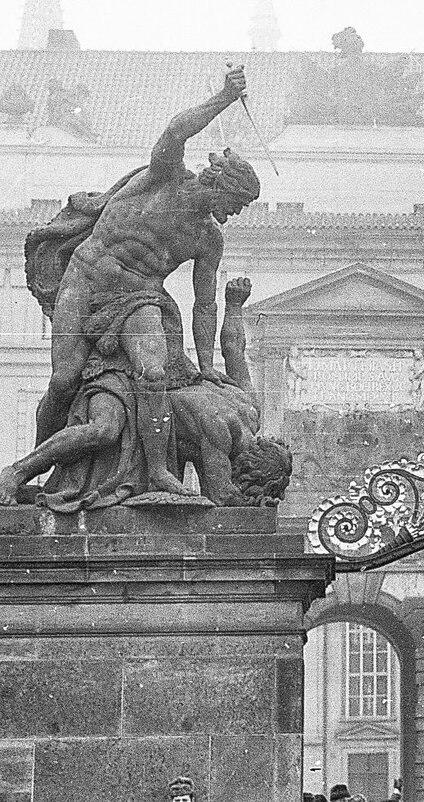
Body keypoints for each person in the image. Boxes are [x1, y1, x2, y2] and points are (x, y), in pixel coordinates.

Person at [25, 63, 260, 497]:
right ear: (219, 184)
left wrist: (207, 367)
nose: (237, 212)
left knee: (153, 372)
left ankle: (159, 473)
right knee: (63, 380)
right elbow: (176, 131)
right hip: (86, 278)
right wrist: (224, 98)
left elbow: (204, 305)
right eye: (237, 202)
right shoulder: (165, 177)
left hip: (139, 297)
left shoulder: (209, 238)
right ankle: (39, 465)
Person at [0, 279, 291, 509]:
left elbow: (233, 349)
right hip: (128, 380)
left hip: (157, 383)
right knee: (103, 430)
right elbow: (222, 496)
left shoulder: (250, 406)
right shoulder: (221, 434)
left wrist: (234, 306)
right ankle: (15, 474)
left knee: (103, 431)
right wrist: (257, 504)